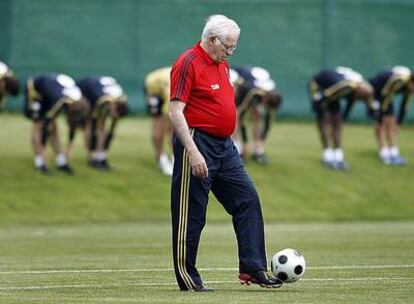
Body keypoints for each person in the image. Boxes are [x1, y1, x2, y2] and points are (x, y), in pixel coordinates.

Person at [169, 14, 282, 292]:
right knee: (191, 213)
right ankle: (188, 278)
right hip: (197, 142)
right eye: (228, 46)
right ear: (211, 40)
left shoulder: (222, 63)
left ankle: (253, 268)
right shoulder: (188, 63)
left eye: (234, 47)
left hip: (224, 146)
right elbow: (175, 111)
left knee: (247, 199)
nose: (231, 52)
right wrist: (193, 152)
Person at [308, 67, 373, 170]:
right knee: (325, 120)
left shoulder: (359, 87)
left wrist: (343, 119)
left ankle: (338, 157)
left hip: (333, 90)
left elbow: (350, 104)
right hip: (319, 86)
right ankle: (327, 156)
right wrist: (319, 108)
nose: (358, 100)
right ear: (358, 92)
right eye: (359, 98)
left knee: (338, 122)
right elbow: (325, 97)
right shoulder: (346, 86)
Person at [24, 74, 89, 174]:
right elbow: (45, 127)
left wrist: (69, 148)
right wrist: (44, 152)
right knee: (38, 126)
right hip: (37, 91)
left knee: (54, 128)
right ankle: (40, 162)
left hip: (51, 90)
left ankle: (61, 162)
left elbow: (73, 124)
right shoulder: (58, 101)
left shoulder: (79, 102)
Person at [232, 66, 282, 165]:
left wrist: (260, 143)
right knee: (235, 115)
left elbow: (267, 121)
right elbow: (240, 116)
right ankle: (237, 148)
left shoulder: (271, 92)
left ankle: (257, 150)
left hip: (255, 87)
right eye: (265, 105)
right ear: (265, 99)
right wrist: (245, 143)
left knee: (258, 116)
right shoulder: (250, 90)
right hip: (238, 81)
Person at [77, 76, 128, 170]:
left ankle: (100, 156)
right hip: (86, 90)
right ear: (113, 106)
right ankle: (91, 156)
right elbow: (94, 126)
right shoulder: (101, 99)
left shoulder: (121, 100)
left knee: (102, 125)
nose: (113, 117)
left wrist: (104, 153)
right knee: (91, 124)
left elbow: (113, 126)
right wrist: (94, 155)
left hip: (100, 91)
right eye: (113, 113)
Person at [368, 66, 414, 165]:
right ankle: (383, 153)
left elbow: (404, 104)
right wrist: (379, 113)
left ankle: (393, 152)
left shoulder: (409, 85)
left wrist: (399, 121)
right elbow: (384, 94)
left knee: (392, 121)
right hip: (376, 91)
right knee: (382, 121)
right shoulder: (399, 80)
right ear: (411, 81)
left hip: (387, 94)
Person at [144, 67, 174, 176]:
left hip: (166, 83)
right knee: (161, 124)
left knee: (175, 128)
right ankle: (161, 157)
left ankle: (174, 156)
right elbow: (170, 119)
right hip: (154, 86)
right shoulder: (173, 91)